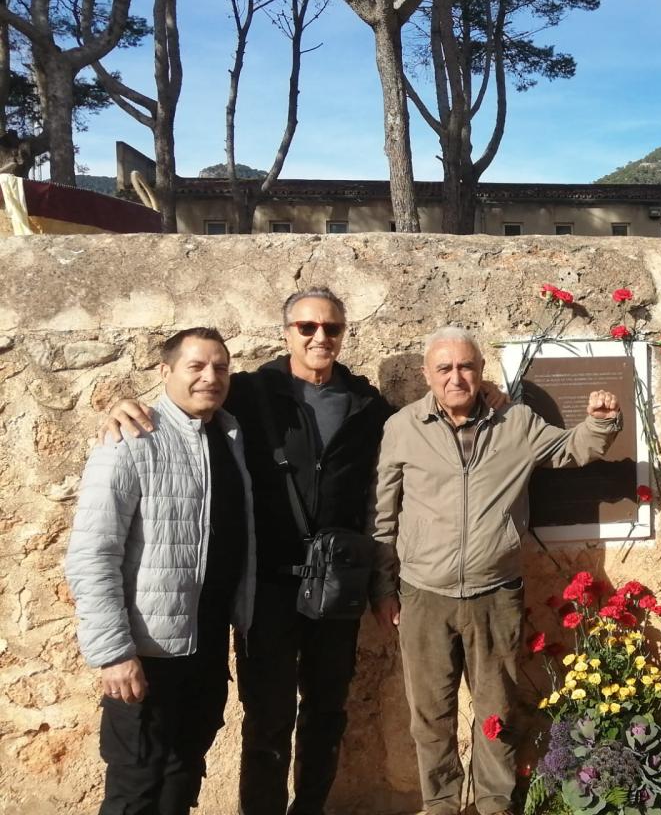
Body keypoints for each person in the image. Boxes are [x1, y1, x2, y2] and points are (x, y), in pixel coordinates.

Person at [102, 287, 395, 815]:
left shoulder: (367, 404)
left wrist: (487, 397)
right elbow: (185, 403)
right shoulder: (250, 392)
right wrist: (124, 404)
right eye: (306, 327)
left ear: (344, 334)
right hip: (268, 590)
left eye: (331, 328)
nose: (319, 337)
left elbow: (423, 430)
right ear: (287, 333)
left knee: (328, 714)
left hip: (337, 588)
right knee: (267, 719)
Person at [371, 326, 622, 815]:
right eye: (444, 368)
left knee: (496, 713)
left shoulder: (517, 423)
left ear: (481, 371)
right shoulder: (402, 427)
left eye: (466, 366)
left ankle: (494, 803)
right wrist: (384, 588)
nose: (456, 376)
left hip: (495, 593)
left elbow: (572, 449)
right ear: (427, 375)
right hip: (424, 595)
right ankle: (441, 804)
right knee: (430, 716)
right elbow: (383, 515)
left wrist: (600, 423)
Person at [67, 328, 255, 815]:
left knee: (182, 775)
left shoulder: (229, 434)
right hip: (146, 653)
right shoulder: (130, 437)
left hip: (206, 645)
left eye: (220, 367)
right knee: (135, 785)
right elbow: (93, 553)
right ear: (165, 372)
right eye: (195, 366)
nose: (209, 377)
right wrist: (113, 653)